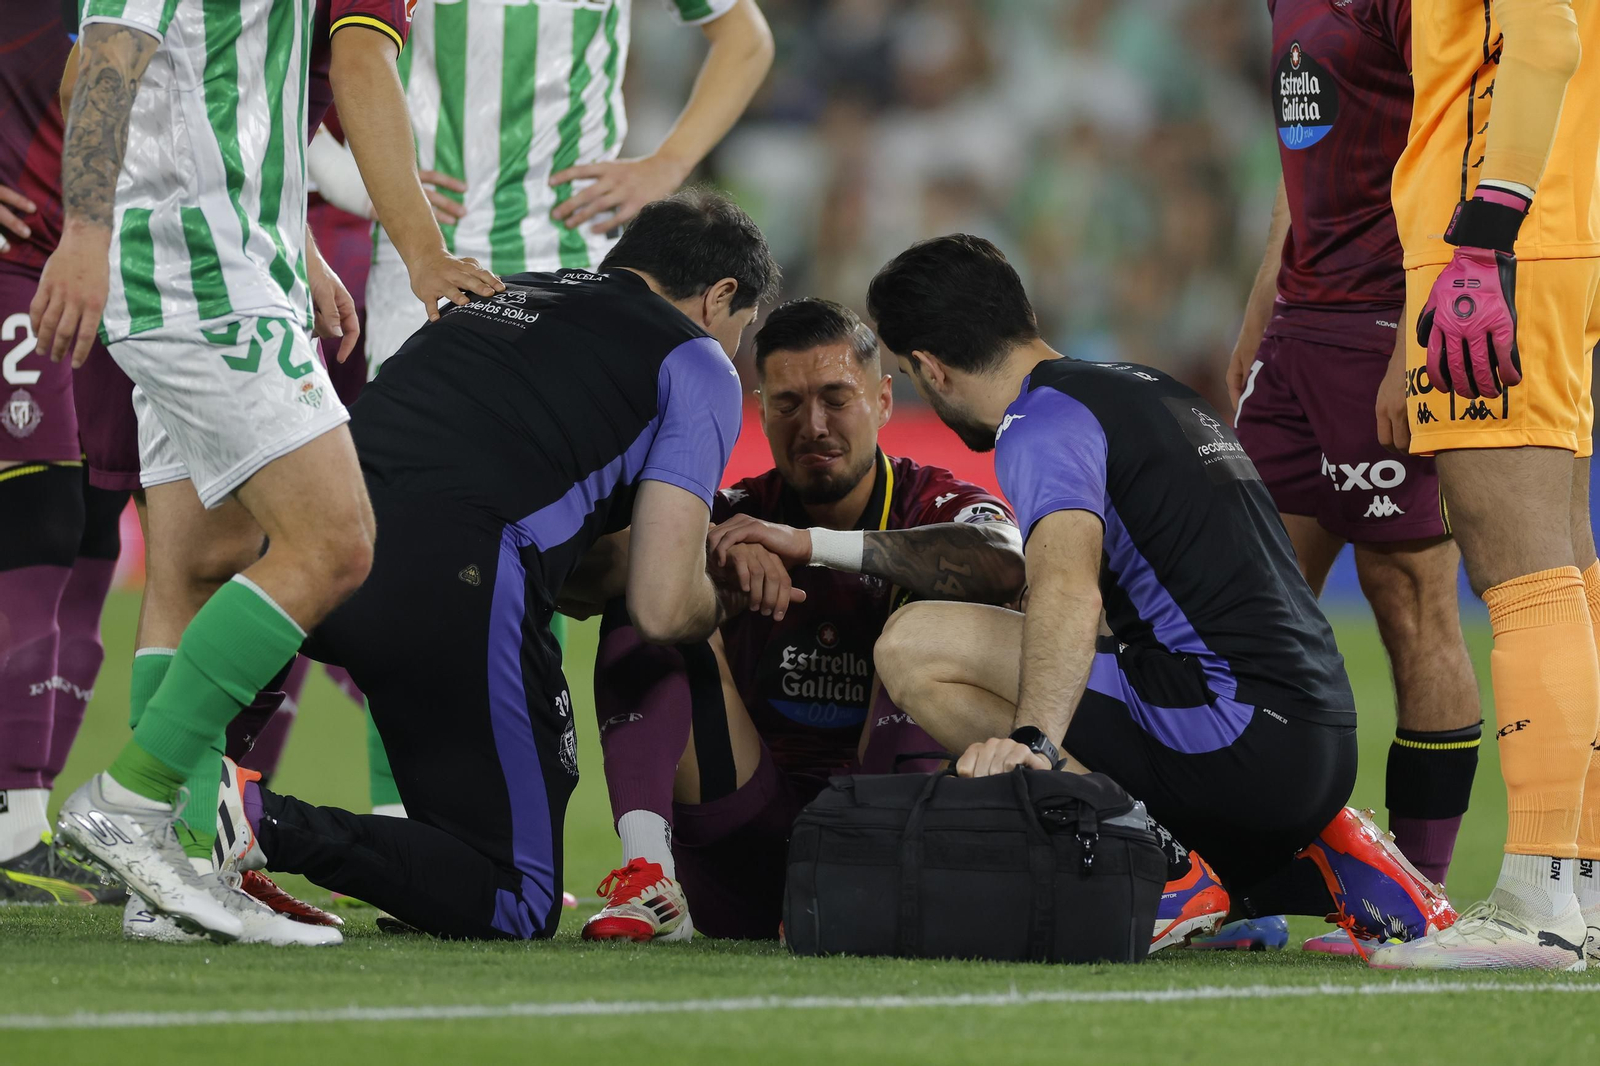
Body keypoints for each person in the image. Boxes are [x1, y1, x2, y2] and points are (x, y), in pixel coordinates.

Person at [203, 190, 781, 942]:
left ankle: (189, 793)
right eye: (741, 332)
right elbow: (665, 605)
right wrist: (722, 599)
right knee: (516, 897)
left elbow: (551, 523)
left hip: (311, 528)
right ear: (722, 297)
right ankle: (253, 818)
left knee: (479, 816)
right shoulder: (698, 361)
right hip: (455, 572)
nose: (732, 348)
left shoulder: (499, 294)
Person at [37, 0, 495, 946]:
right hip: (196, 275)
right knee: (335, 541)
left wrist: (294, 247)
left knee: (200, 567)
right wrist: (86, 232)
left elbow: (115, 73)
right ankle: (135, 800)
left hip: (232, 261)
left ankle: (174, 872)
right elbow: (111, 60)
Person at [866, 234, 1457, 950]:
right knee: (1053, 646)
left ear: (930, 368)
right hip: (1317, 737)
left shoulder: (1038, 422)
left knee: (915, 645)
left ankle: (1155, 867)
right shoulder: (1145, 386)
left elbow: (1068, 591)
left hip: (1235, 736)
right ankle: (1314, 861)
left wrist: (1034, 747)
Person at [569, 297, 1025, 942]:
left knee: (935, 607)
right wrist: (707, 566)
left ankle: (866, 878)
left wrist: (810, 545)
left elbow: (1008, 562)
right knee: (652, 595)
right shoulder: (735, 514)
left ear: (885, 402)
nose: (812, 424)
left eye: (836, 398)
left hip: (882, 839)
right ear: (761, 410)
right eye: (787, 404)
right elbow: (581, 575)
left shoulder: (935, 502)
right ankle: (648, 871)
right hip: (747, 837)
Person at [1223, 0, 1483, 954]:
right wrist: (1263, 300)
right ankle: (1243, 880)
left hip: (1387, 318)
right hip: (1299, 330)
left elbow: (1456, 151)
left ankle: (1418, 905)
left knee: (1410, 594)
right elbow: (1305, 168)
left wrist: (1421, 332)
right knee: (1246, 608)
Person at [1370, 0, 1600, 971]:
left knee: (1521, 565)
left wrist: (1483, 234)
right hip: (1549, 235)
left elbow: (1544, 36)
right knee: (1567, 568)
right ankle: (1579, 883)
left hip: (1502, 247)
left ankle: (1536, 900)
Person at [362, 0, 776, 376]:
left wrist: (670, 162)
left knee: (565, 448)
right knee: (411, 438)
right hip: (422, 251)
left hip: (573, 249)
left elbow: (746, 38)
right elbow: (335, 48)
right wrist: (345, 173)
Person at [0, 0, 127, 906]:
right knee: (36, 520)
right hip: (20, 263)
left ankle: (28, 816)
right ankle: (9, 828)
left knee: (91, 526)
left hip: (118, 274)